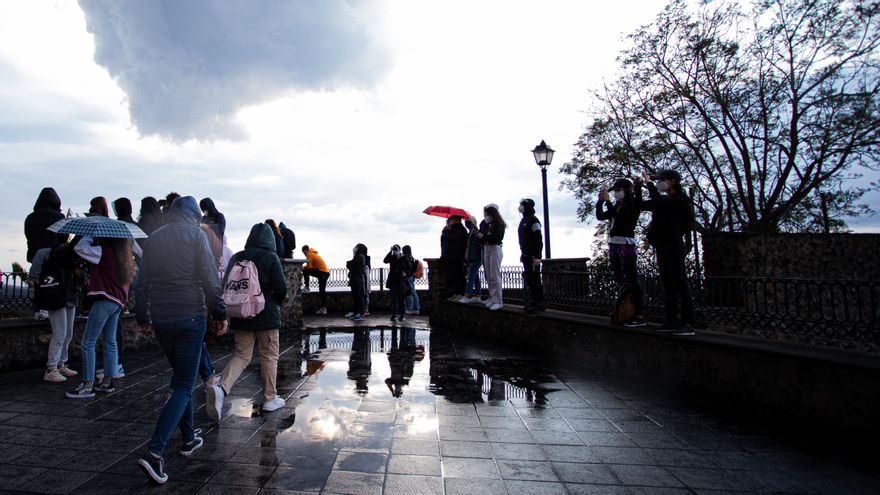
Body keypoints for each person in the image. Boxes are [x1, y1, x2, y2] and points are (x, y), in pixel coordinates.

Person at [134, 196, 228, 485]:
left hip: (162, 319)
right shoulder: (196, 236)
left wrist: (141, 317)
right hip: (189, 316)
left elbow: (143, 281)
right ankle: (155, 452)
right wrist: (220, 313)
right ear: (191, 215)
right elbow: (210, 279)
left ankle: (188, 438)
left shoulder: (154, 239)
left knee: (180, 379)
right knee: (184, 385)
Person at [209, 223, 288, 421]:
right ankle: (270, 398)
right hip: (266, 316)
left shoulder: (237, 257)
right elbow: (281, 288)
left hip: (241, 315)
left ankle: (221, 388)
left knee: (242, 355)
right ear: (270, 240)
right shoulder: (271, 257)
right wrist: (274, 304)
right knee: (269, 356)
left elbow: (225, 284)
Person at [66, 234, 135, 398]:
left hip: (104, 300)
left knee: (88, 341)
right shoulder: (124, 258)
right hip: (117, 302)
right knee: (110, 341)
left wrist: (89, 234)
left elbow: (79, 248)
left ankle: (87, 384)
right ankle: (107, 381)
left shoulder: (104, 252)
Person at [635, 170, 696, 335]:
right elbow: (641, 205)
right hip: (662, 245)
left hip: (674, 245)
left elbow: (660, 203)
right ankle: (671, 320)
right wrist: (639, 189)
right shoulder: (664, 200)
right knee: (668, 286)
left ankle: (688, 322)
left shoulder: (680, 200)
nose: (659, 183)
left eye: (662, 180)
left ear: (672, 182)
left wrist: (648, 184)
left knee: (681, 284)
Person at [596, 178, 647, 327]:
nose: (616, 193)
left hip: (626, 244)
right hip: (614, 243)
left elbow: (621, 219)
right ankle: (624, 308)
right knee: (620, 278)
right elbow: (601, 216)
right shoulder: (617, 206)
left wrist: (608, 202)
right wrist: (600, 202)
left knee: (631, 278)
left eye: (619, 190)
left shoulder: (631, 205)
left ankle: (638, 313)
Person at [29, 243, 80, 382]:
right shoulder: (51, 253)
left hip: (69, 297)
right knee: (60, 333)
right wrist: (35, 281)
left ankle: (61, 364)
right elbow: (38, 262)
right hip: (56, 297)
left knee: (67, 333)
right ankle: (51, 369)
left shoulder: (74, 256)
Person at [25, 187, 67, 264]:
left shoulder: (30, 217)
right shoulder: (59, 216)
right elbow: (64, 237)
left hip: (34, 256)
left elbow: (28, 235)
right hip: (53, 255)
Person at [518, 198, 545, 312]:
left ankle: (539, 302)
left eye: (522, 205)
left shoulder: (533, 220)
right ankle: (533, 301)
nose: (520, 207)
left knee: (535, 279)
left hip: (533, 256)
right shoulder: (524, 220)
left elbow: (538, 238)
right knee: (529, 279)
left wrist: (538, 256)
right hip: (526, 254)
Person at [477, 203, 505, 310]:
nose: (485, 216)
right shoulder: (487, 225)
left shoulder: (499, 224)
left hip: (495, 248)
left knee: (494, 275)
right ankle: (493, 298)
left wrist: (484, 236)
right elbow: (483, 237)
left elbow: (497, 238)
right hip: (487, 248)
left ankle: (498, 300)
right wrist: (481, 237)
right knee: (489, 275)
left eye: (487, 214)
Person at [440, 215, 468, 299]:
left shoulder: (460, 229)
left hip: (456, 257)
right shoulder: (453, 229)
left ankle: (460, 293)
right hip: (450, 256)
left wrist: (447, 231)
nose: (449, 221)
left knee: (458, 275)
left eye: (450, 219)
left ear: (456, 219)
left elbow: (452, 240)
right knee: (453, 276)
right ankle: (456, 293)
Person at [384, 244, 413, 322]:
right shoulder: (392, 257)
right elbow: (385, 260)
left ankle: (402, 315)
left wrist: (405, 273)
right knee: (393, 299)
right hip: (393, 280)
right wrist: (390, 252)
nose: (395, 251)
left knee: (401, 298)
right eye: (394, 250)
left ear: (399, 250)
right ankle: (394, 314)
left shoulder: (404, 258)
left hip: (401, 280)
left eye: (396, 250)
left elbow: (410, 268)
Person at [302, 245, 329, 315]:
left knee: (305, 271)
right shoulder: (313, 253)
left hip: (322, 273)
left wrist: (302, 267)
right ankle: (324, 308)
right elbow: (310, 266)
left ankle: (307, 287)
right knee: (322, 290)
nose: (304, 255)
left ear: (305, 250)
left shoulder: (309, 254)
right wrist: (305, 267)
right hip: (324, 273)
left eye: (303, 253)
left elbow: (309, 267)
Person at [461, 216, 483, 303]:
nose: (466, 222)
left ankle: (467, 295)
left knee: (470, 277)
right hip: (472, 258)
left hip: (476, 258)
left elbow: (478, 246)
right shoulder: (470, 233)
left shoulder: (475, 233)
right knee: (475, 277)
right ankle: (478, 295)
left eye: (468, 221)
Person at [345, 244, 368, 321]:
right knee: (356, 297)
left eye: (356, 247)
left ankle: (360, 314)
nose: (354, 248)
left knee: (359, 297)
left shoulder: (360, 256)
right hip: (355, 279)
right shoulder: (357, 256)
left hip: (358, 279)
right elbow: (350, 264)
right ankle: (356, 313)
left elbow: (350, 264)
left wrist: (349, 263)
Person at [402, 245, 421, 315]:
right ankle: (417, 308)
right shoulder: (412, 258)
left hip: (408, 276)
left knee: (409, 293)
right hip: (411, 276)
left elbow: (407, 268)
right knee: (413, 292)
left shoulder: (406, 258)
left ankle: (410, 309)